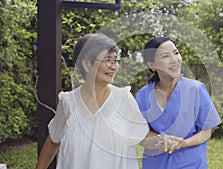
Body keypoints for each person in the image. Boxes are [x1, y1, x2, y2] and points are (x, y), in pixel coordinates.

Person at [35, 33, 159, 169]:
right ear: (87, 64)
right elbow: (53, 138)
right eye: (107, 60)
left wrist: (166, 141)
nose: (114, 66)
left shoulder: (122, 98)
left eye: (115, 60)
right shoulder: (68, 102)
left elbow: (142, 136)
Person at [135, 37, 222, 169]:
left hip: (190, 164)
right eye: (165, 56)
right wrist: (159, 140)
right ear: (152, 65)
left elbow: (206, 132)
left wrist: (183, 143)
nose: (175, 60)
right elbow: (141, 134)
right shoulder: (143, 95)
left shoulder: (196, 89)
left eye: (176, 53)